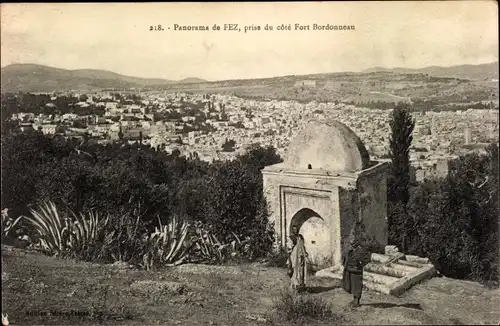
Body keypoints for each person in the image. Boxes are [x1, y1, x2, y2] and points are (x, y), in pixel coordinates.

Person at [342, 226, 370, 307]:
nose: (352, 244)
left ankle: (357, 302)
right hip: (351, 269)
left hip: (357, 271)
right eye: (351, 243)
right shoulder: (352, 249)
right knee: (352, 285)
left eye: (353, 243)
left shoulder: (361, 249)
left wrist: (360, 264)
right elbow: (347, 257)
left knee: (357, 285)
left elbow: (366, 259)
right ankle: (354, 300)